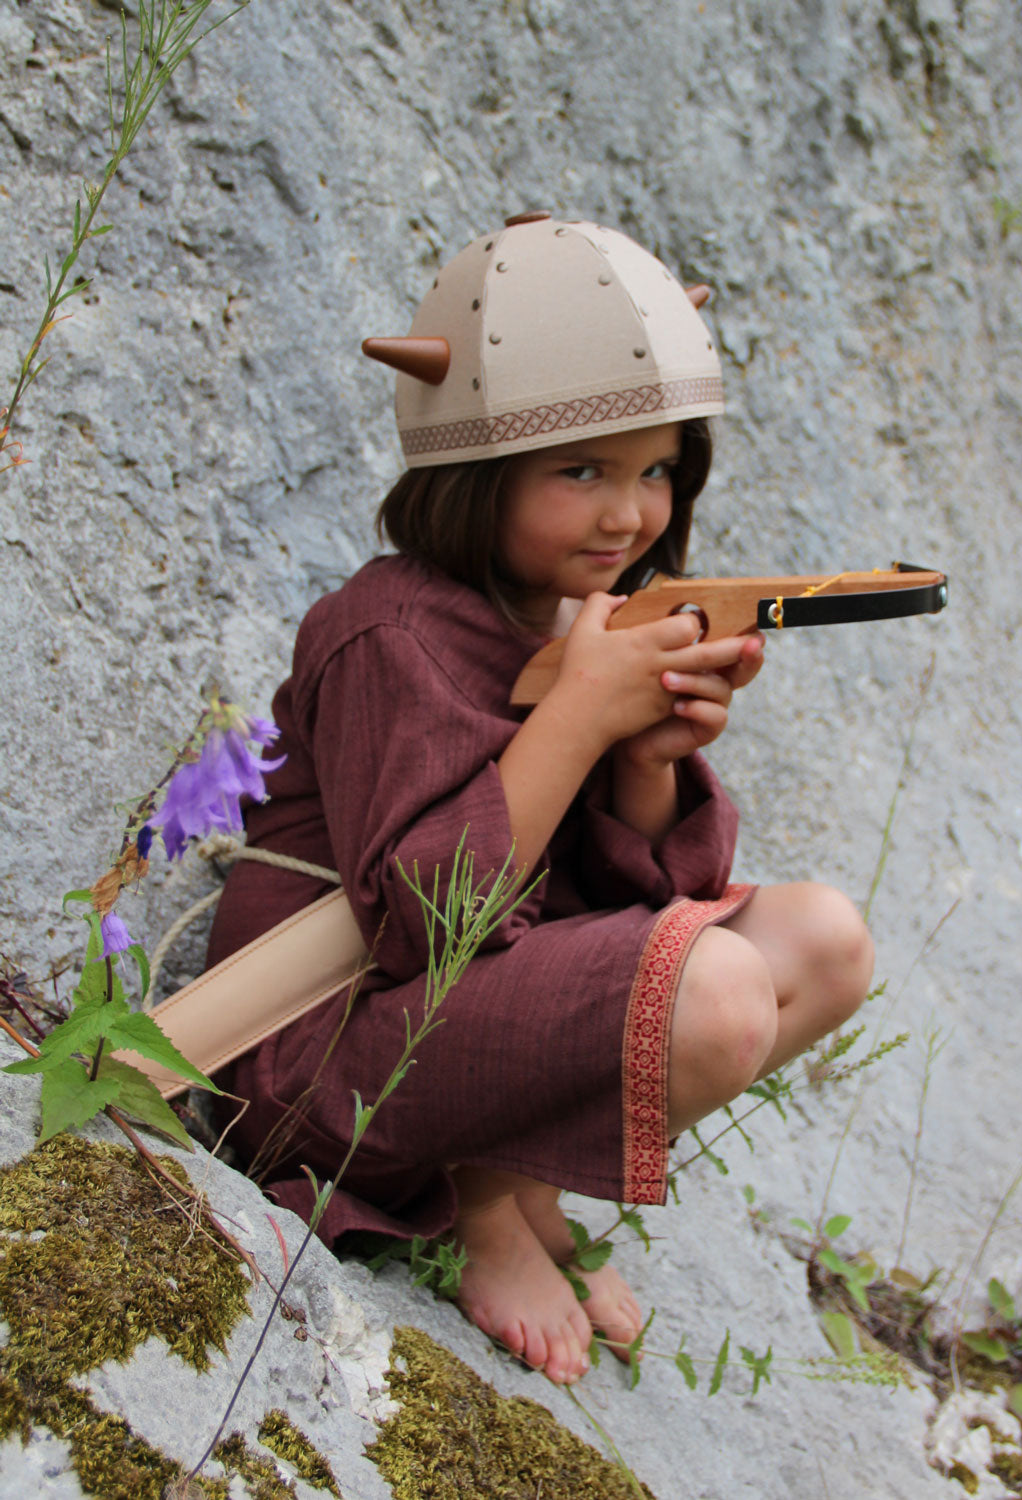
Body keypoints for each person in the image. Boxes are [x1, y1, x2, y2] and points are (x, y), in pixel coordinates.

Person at [206, 212, 874, 1386]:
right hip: (319, 1055)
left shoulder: (586, 615)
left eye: (658, 469)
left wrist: (646, 756)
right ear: (474, 473)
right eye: (583, 472)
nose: (630, 516)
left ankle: (514, 1182)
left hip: (466, 1027)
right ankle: (486, 1209)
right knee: (714, 997)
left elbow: (653, 903)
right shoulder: (384, 632)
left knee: (822, 942)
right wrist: (575, 714)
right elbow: (421, 928)